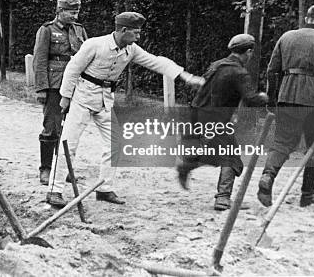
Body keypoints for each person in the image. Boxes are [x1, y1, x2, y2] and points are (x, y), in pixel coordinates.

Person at [46, 12, 205, 207]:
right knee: (68, 144)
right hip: (81, 97)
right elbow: (73, 69)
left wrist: (186, 76)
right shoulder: (94, 45)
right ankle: (55, 190)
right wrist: (65, 97)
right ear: (123, 30)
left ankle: (104, 189)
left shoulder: (131, 49)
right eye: (136, 32)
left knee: (116, 143)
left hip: (105, 100)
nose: (139, 36)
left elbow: (156, 61)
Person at [258, 4, 314, 208]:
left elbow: (272, 71)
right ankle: (307, 195)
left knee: (281, 142)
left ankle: (268, 177)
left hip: (287, 97)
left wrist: (272, 100)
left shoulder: (286, 37)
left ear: (307, 18)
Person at [176, 34, 268, 210]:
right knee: (231, 158)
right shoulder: (239, 72)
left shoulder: (216, 65)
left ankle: (187, 166)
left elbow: (202, 86)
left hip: (195, 113)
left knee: (215, 154)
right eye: (251, 53)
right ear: (248, 52)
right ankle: (223, 198)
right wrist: (263, 98)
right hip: (215, 119)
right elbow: (250, 99)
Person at [33, 0, 88, 185]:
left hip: (76, 86)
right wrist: (41, 88)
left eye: (77, 12)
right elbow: (39, 60)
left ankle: (63, 168)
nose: (75, 15)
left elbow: (86, 57)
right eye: (71, 12)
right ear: (60, 11)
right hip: (55, 86)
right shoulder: (47, 30)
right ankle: (46, 169)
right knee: (51, 128)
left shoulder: (79, 30)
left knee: (70, 130)